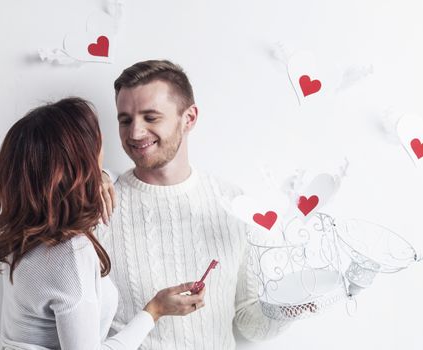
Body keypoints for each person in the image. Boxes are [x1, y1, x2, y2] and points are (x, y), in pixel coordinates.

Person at [0, 97, 205, 350]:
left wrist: (100, 177)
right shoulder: (69, 253)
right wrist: (154, 311)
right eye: (99, 143)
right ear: (81, 162)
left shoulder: (25, 228)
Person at [98, 60, 290, 350]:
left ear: (189, 118)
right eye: (125, 120)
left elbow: (249, 322)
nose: (135, 133)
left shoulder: (233, 203)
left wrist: (292, 305)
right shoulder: (101, 204)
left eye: (151, 117)